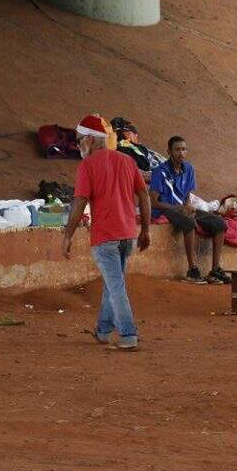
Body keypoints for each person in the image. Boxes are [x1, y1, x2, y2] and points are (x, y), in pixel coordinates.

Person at [63, 114, 151, 351]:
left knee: (116, 286)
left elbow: (80, 202)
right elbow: (143, 194)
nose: (78, 144)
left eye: (80, 139)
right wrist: (146, 230)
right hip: (127, 234)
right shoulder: (127, 161)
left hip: (105, 237)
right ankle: (103, 331)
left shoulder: (87, 166)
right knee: (114, 283)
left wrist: (67, 235)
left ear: (91, 140)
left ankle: (128, 335)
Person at [150, 135, 229, 285]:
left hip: (181, 208)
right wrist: (180, 208)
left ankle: (215, 270)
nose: (181, 153)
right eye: (177, 149)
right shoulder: (160, 172)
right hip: (164, 209)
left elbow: (186, 194)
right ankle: (192, 270)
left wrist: (186, 207)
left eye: (184, 149)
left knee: (220, 223)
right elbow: (154, 202)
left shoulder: (189, 169)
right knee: (189, 222)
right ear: (169, 151)